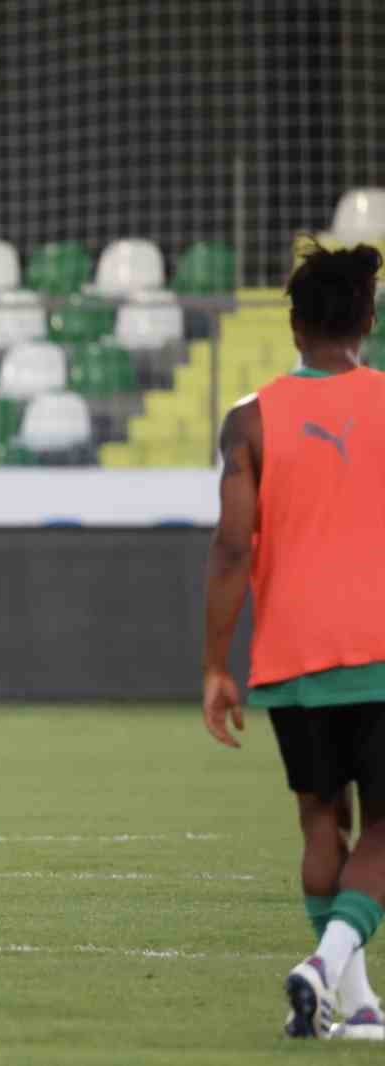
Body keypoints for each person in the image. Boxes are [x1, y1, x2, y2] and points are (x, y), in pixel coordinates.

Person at [203, 242, 385, 1039]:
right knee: (383, 830)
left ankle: (358, 1005)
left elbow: (233, 549)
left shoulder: (250, 420)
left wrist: (216, 665)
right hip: (380, 652)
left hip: (290, 659)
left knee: (323, 822)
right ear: (368, 320)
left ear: (294, 324)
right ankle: (324, 963)